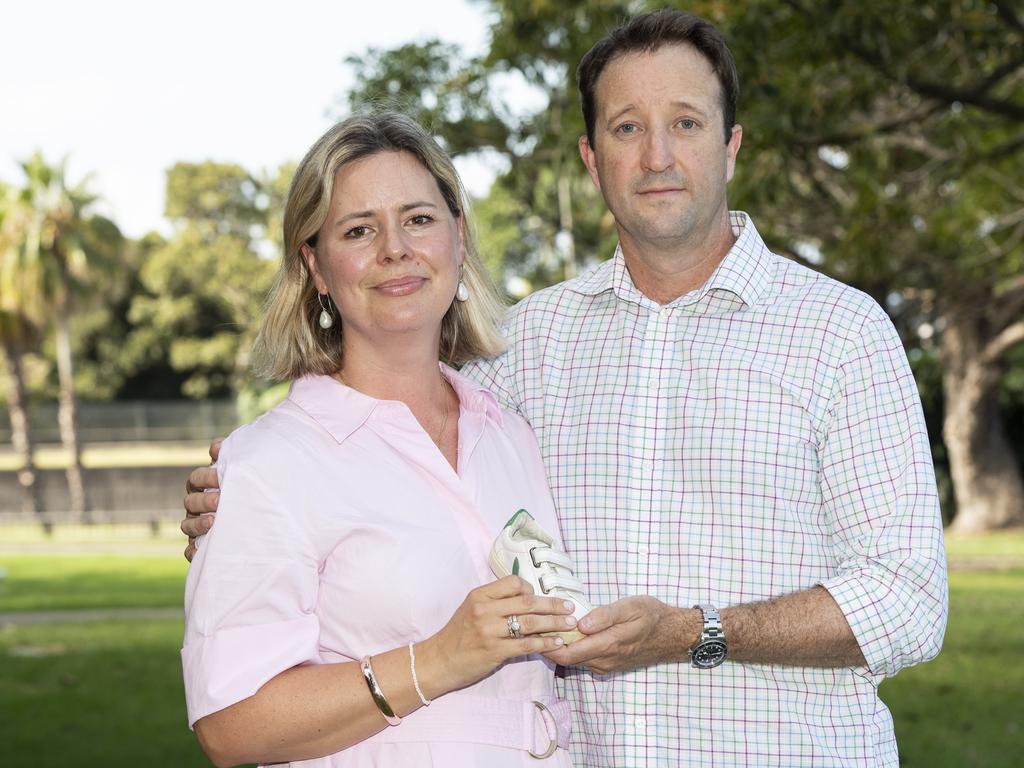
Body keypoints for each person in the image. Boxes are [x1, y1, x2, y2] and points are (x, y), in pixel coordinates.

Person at [183, 10, 948, 767]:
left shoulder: (840, 333)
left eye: (685, 123)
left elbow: (908, 602)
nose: (656, 156)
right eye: (626, 128)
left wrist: (697, 630)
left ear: (731, 146)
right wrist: (239, 494)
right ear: (591, 160)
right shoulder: (527, 347)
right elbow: (376, 432)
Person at [180, 111, 579, 767]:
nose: (396, 248)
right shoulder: (270, 461)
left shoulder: (510, 435)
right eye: (359, 230)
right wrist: (438, 661)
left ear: (457, 237)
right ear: (315, 266)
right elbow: (230, 725)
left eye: (418, 219)